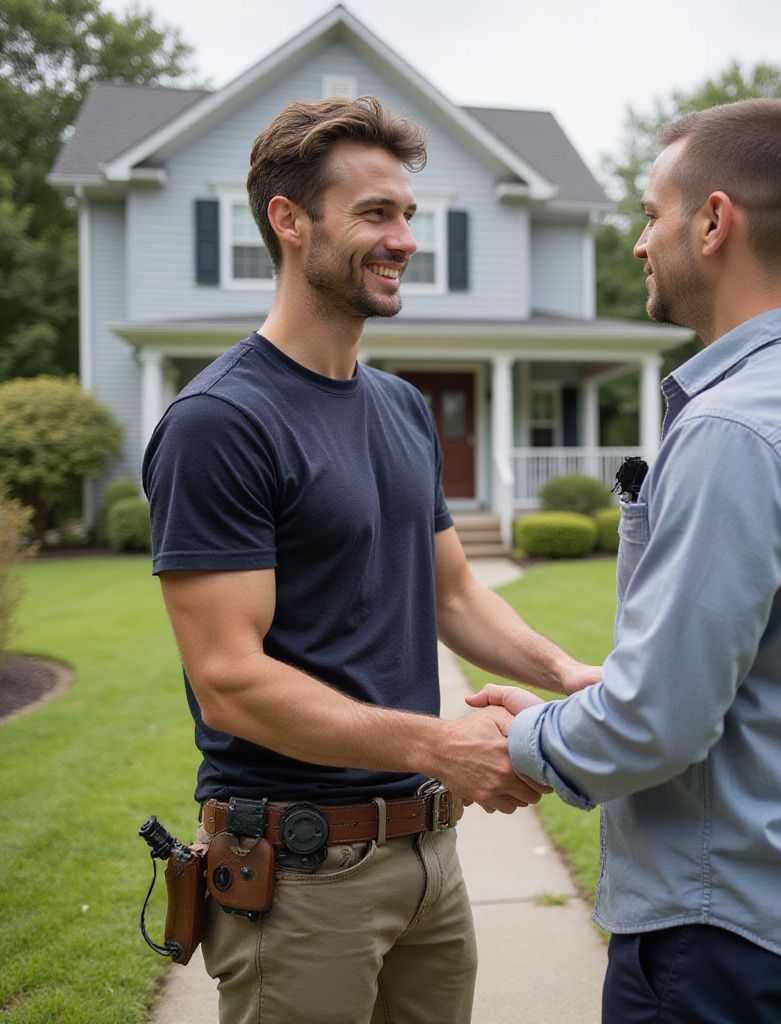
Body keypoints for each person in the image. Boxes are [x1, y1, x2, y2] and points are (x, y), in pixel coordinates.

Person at [142, 96, 598, 1024]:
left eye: (409, 217)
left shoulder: (398, 408)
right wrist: (438, 743)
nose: (403, 241)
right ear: (289, 219)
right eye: (376, 215)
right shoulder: (222, 424)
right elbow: (229, 681)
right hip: (304, 874)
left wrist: (567, 674)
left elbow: (455, 591)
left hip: (428, 857)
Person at [471, 99, 781, 1023]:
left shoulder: (733, 427)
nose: (641, 244)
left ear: (714, 222)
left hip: (728, 938)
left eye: (651, 214)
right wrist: (598, 696)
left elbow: (655, 728)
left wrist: (516, 742)